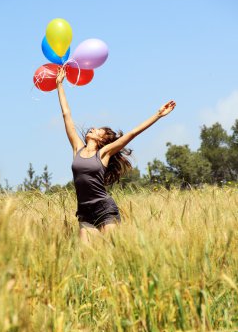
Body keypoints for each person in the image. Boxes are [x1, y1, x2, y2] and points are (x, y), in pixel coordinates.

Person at [56, 67, 176, 243]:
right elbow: (66, 115)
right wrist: (60, 85)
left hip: (104, 208)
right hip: (84, 211)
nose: (93, 129)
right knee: (85, 258)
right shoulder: (77, 148)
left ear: (103, 140)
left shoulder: (104, 154)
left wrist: (157, 115)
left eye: (99, 130)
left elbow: (132, 133)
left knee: (112, 253)